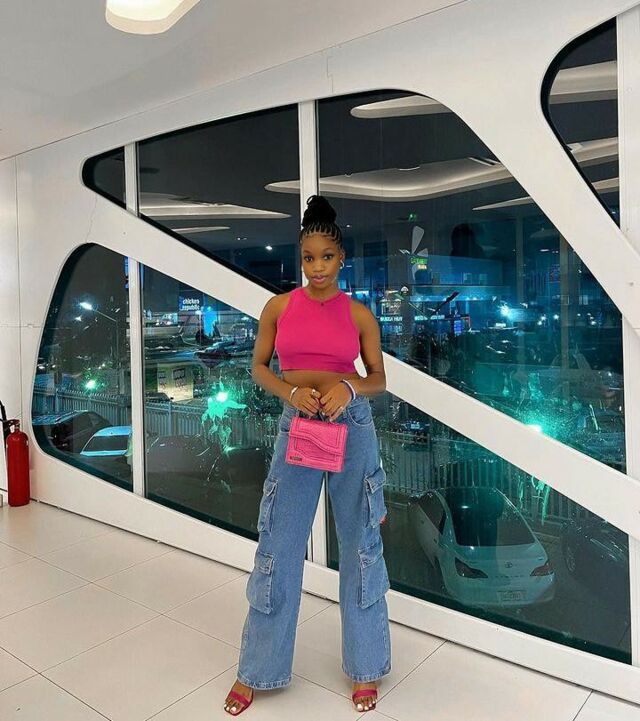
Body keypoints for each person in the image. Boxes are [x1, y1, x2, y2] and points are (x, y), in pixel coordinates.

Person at [223, 195, 392, 715]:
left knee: (361, 545)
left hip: (351, 427)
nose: (317, 267)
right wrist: (291, 393)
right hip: (297, 424)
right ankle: (257, 669)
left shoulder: (359, 314)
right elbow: (259, 367)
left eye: (326, 257)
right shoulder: (279, 307)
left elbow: (379, 378)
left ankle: (366, 666)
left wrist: (348, 386)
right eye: (308, 258)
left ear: (341, 259)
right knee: (278, 543)